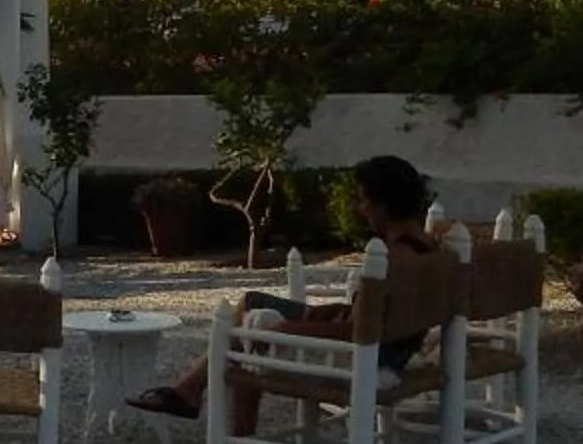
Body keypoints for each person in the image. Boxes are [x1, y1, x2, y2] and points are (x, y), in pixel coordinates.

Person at [129, 154, 440, 427]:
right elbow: (381, 314)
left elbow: (357, 330)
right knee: (253, 302)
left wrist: (288, 328)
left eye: (363, 200)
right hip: (393, 349)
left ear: (383, 206)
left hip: (364, 359)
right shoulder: (430, 250)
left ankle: (230, 435)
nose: (360, 208)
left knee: (252, 332)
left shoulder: (389, 260)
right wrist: (332, 310)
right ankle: (189, 391)